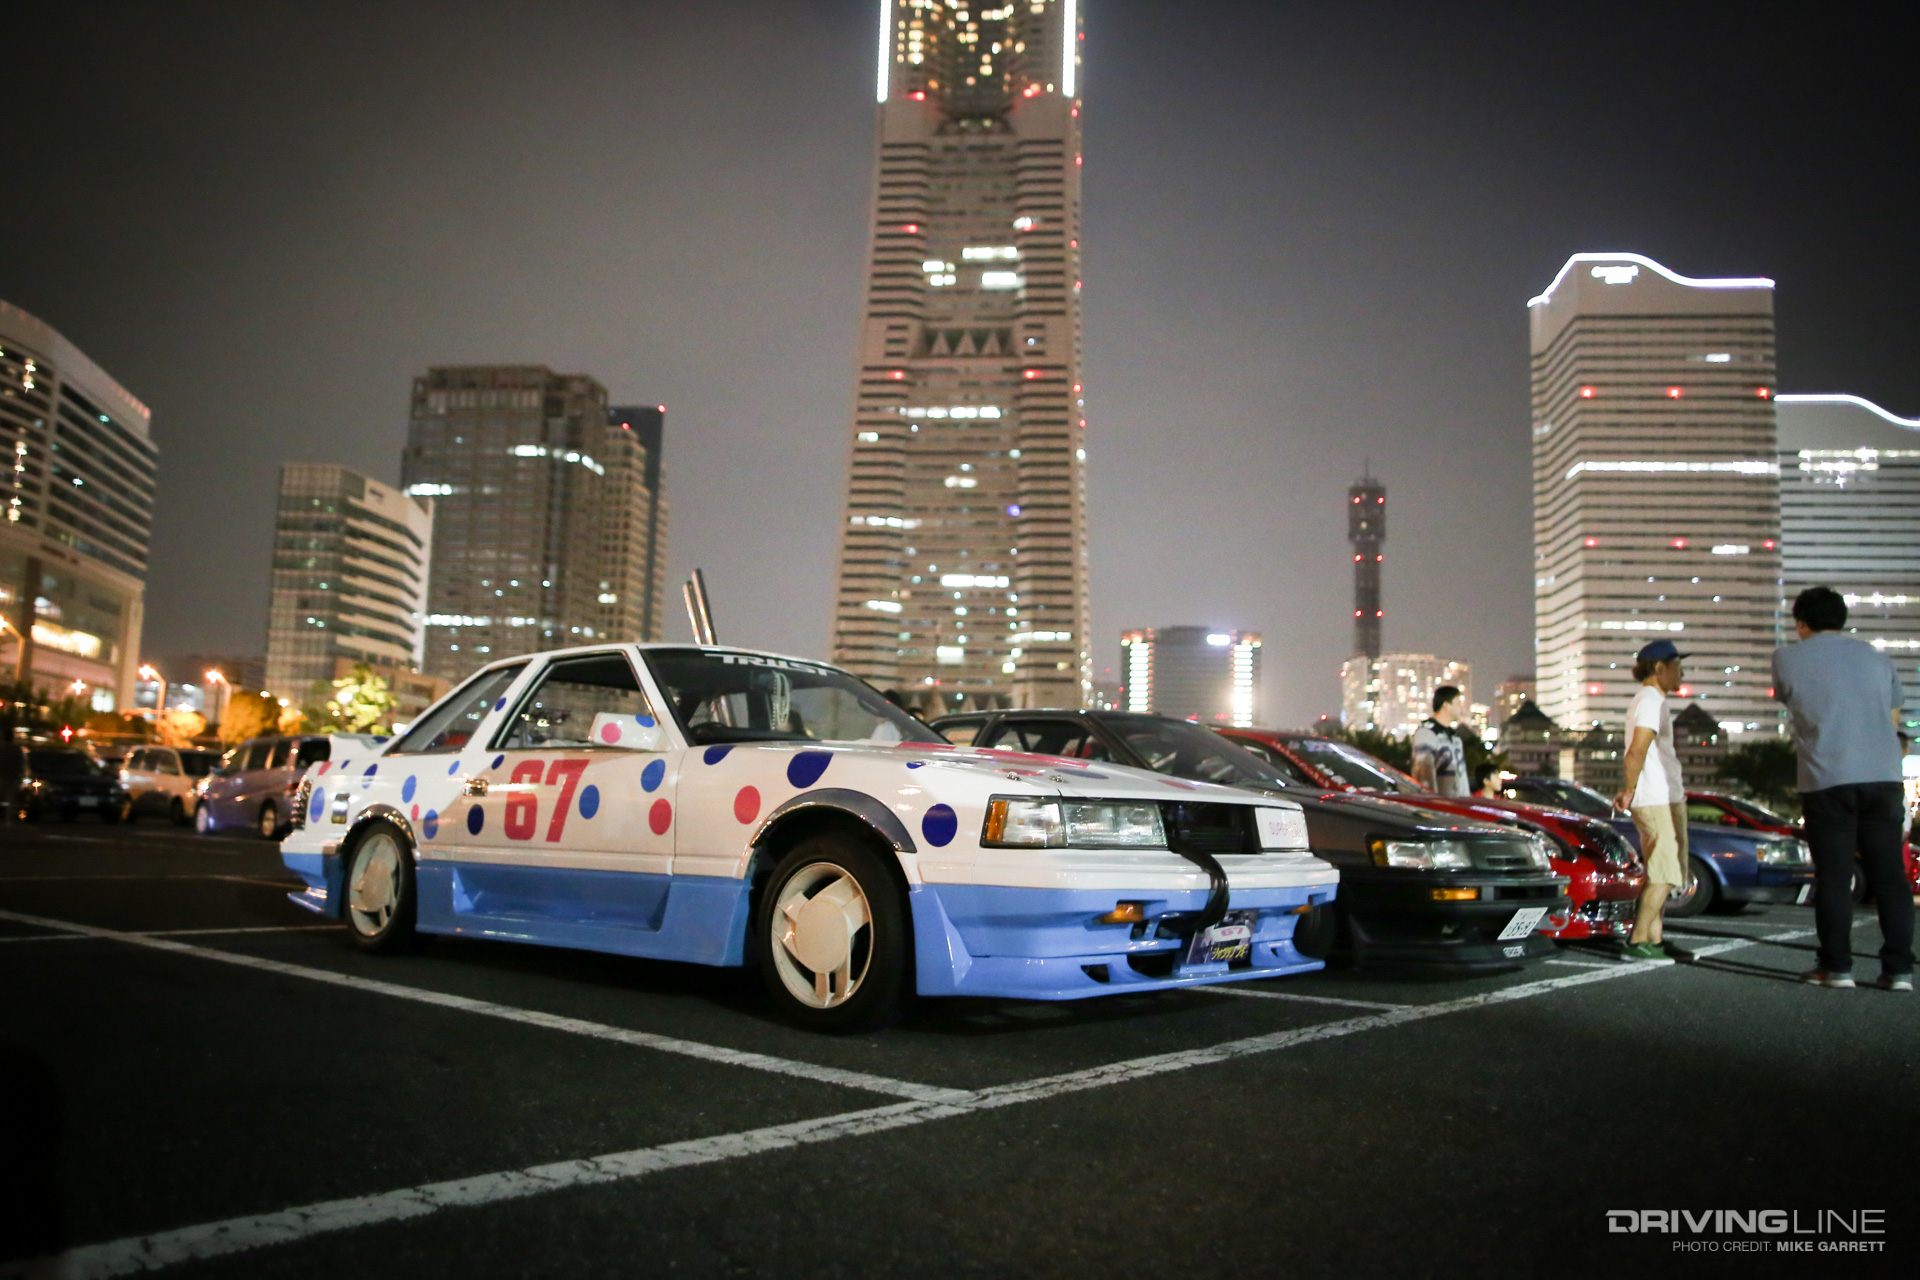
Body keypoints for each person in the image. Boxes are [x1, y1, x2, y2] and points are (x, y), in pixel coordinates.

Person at [1772, 586, 1913, 991]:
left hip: (1827, 776)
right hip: (1883, 776)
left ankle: (1836, 968)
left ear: (1801, 623)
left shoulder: (1786, 657)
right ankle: (1899, 971)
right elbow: (1892, 716)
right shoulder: (1877, 658)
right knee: (1890, 877)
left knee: (1834, 876)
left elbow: (1791, 698)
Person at [1613, 641, 1691, 961]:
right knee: (1663, 873)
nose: (1681, 673)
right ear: (1659, 669)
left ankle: (1654, 939)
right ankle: (1637, 941)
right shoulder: (1649, 700)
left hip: (1664, 796)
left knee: (1661, 871)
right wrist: (1630, 790)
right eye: (1677, 666)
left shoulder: (1653, 700)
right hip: (1655, 797)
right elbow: (1637, 750)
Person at [1411, 686, 1470, 797]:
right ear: (1446, 706)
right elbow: (1424, 775)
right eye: (1457, 704)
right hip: (1440, 808)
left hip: (1457, 806)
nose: (1461, 708)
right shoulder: (1427, 733)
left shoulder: (1454, 737)